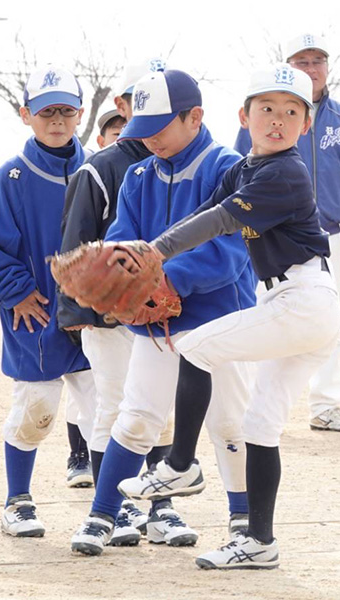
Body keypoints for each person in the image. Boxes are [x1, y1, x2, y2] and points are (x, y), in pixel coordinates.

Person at [118, 64, 340, 570]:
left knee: (195, 346)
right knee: (260, 425)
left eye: (291, 111)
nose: (278, 120)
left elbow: (219, 221)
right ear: (244, 116)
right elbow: (203, 214)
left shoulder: (287, 172)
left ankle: (179, 467)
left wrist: (152, 254)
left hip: (304, 300)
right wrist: (136, 259)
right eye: (266, 109)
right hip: (290, 304)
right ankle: (259, 541)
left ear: (306, 124)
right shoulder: (244, 169)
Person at [68, 68, 253, 556]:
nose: (148, 139)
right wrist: (120, 278)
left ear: (195, 117)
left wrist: (171, 280)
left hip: (220, 319)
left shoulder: (227, 167)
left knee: (231, 423)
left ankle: (244, 521)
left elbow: (233, 251)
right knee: (136, 417)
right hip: (157, 320)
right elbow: (122, 240)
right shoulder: (138, 175)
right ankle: (102, 515)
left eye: (159, 127)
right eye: (140, 130)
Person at [58, 60, 189, 548]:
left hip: (164, 314)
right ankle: (117, 508)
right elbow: (76, 249)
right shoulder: (100, 168)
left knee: (161, 412)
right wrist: (88, 312)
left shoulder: (182, 165)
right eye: (141, 99)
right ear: (122, 105)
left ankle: (161, 508)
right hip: (111, 320)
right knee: (114, 408)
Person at [0, 65, 96, 538]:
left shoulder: (98, 167)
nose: (57, 120)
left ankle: (108, 506)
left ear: (80, 114)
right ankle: (17, 500)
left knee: (105, 406)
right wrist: (17, 290)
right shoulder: (12, 177)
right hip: (36, 309)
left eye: (65, 110)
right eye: (46, 112)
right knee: (37, 407)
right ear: (27, 115)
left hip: (94, 313)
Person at [234, 33, 340, 433]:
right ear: (288, 67)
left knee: (327, 321)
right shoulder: (263, 115)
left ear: (327, 67)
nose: (311, 68)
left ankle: (326, 405)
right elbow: (239, 172)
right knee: (258, 316)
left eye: (317, 61)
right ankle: (251, 406)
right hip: (267, 238)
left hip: (326, 237)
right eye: (302, 61)